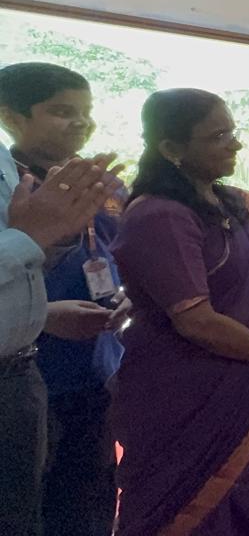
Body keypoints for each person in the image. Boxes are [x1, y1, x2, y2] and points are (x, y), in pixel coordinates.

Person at [109, 89, 249, 535]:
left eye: (232, 132)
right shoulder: (161, 216)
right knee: (194, 509)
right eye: (217, 136)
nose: (235, 144)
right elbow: (196, 321)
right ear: (171, 148)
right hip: (189, 392)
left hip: (243, 385)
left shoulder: (226, 203)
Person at [0, 63, 129, 536]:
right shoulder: (13, 184)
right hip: (32, 364)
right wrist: (46, 316)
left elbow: (121, 251)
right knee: (30, 500)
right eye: (61, 111)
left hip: (97, 363)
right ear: (11, 116)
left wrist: (130, 295)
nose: (80, 123)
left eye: (86, 111)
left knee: (90, 493)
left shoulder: (104, 183)